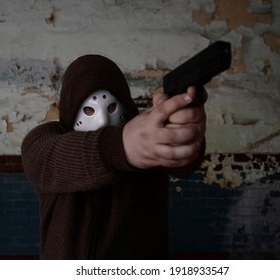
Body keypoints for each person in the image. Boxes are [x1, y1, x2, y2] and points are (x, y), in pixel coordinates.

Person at [21, 54, 206, 259]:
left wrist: (181, 131)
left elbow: (183, 163)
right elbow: (45, 159)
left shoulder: (149, 136)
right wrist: (125, 145)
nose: (103, 120)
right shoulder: (43, 141)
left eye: (111, 107)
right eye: (89, 110)